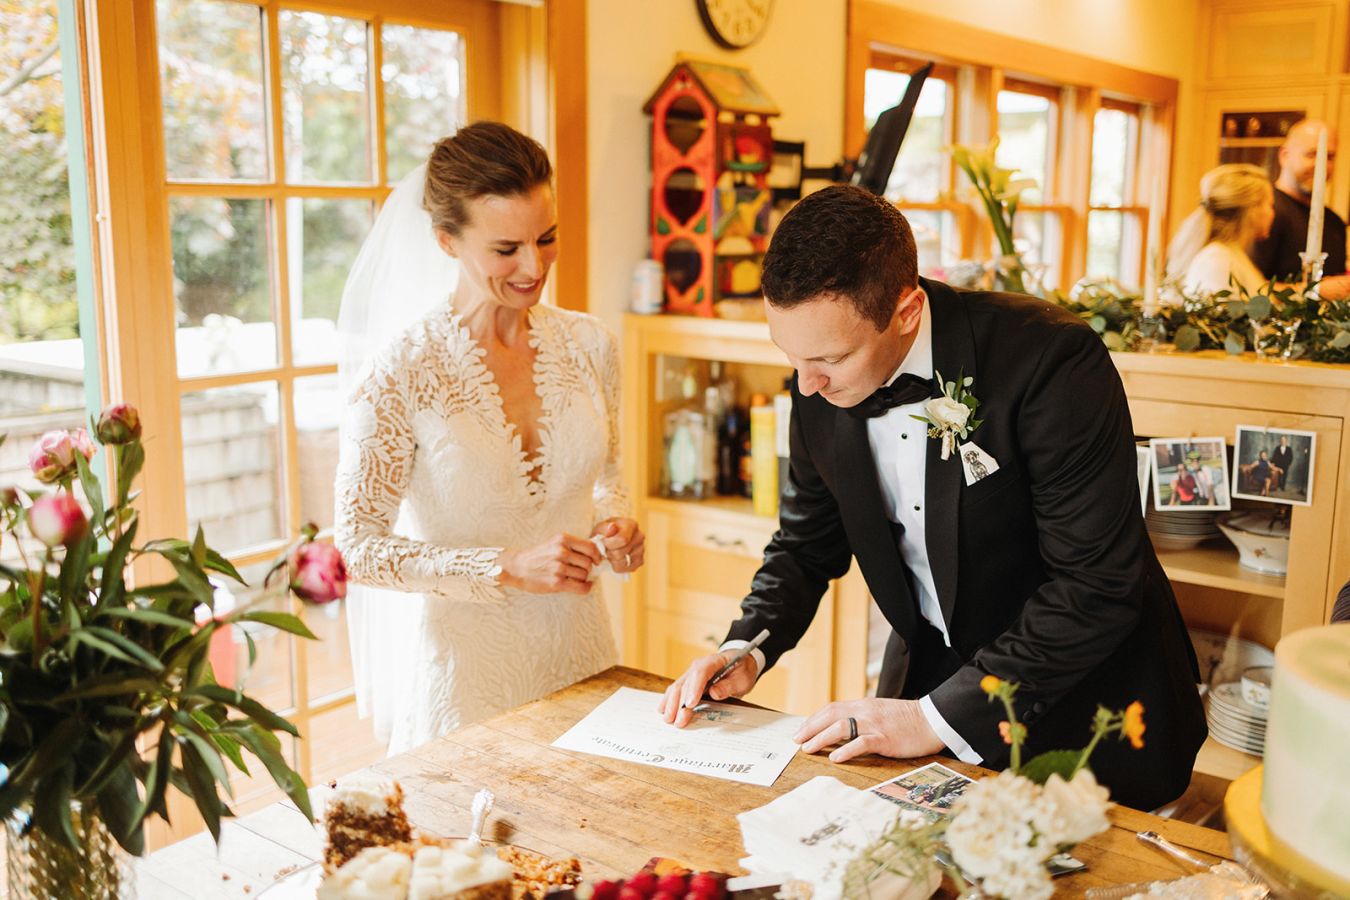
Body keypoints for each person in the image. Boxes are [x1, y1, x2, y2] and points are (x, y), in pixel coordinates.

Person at [659, 185, 1206, 812]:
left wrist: (933, 718)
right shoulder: (817, 377)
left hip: (1088, 705)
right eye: (791, 356)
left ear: (908, 312)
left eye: (831, 358)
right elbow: (806, 544)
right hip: (931, 682)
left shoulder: (1051, 360)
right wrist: (747, 647)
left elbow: (1095, 584)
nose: (806, 385)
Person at [333, 122, 644, 755]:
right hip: (467, 688)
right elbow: (358, 550)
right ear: (446, 240)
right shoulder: (400, 373)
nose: (535, 266)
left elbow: (609, 476)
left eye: (547, 238)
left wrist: (617, 525)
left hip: (583, 662)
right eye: (506, 249)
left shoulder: (592, 345)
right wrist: (505, 566)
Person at [1250, 119, 1350, 300]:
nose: (1320, 165)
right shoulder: (1263, 212)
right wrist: (1314, 292)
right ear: (1284, 156)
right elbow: (1247, 289)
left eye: (1329, 157)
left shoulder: (1334, 222)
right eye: (1311, 155)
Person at [1165, 164, 1275, 296]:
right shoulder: (1216, 260)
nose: (1272, 213)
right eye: (1270, 205)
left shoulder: (1231, 255)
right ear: (1253, 209)